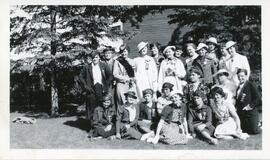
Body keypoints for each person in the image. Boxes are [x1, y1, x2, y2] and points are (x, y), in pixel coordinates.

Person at [79, 51, 112, 121]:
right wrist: (86, 86)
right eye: (93, 57)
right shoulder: (87, 67)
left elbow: (110, 76)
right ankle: (91, 126)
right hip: (91, 89)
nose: (95, 59)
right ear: (91, 58)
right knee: (91, 107)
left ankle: (101, 123)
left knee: (101, 106)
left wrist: (106, 84)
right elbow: (81, 77)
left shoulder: (104, 65)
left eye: (96, 57)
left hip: (101, 89)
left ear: (99, 57)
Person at [235, 69, 261, 134]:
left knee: (254, 131)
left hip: (250, 112)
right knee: (245, 131)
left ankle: (260, 124)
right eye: (239, 76)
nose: (240, 78)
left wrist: (250, 106)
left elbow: (258, 98)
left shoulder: (250, 84)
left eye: (242, 76)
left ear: (246, 76)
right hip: (242, 114)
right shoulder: (238, 87)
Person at [113, 44, 137, 108]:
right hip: (121, 84)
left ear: (128, 51)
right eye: (122, 51)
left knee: (131, 102)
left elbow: (134, 74)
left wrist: (133, 80)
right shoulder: (117, 61)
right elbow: (115, 74)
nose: (124, 53)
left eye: (125, 51)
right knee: (122, 103)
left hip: (130, 85)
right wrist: (126, 78)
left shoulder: (132, 61)